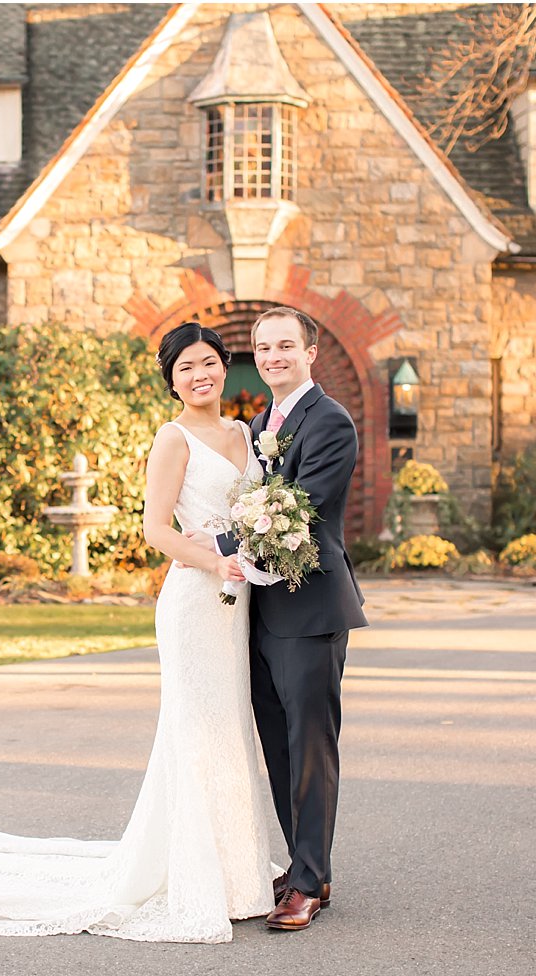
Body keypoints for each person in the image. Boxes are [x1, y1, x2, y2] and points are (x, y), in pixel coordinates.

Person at [0, 322, 284, 943]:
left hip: (237, 601)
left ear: (225, 366)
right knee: (194, 731)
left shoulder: (245, 433)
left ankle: (238, 875)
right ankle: (194, 876)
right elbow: (154, 530)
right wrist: (215, 561)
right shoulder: (173, 438)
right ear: (171, 381)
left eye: (209, 363)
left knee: (228, 728)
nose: (201, 375)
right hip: (196, 598)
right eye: (186, 367)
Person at [198, 307, 367, 931]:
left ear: (310, 351)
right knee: (277, 743)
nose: (272, 357)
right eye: (263, 347)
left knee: (311, 747)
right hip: (261, 611)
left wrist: (215, 547)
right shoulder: (261, 422)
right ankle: (304, 867)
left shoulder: (330, 422)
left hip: (311, 607)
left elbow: (297, 514)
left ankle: (310, 883)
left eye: (285, 346)